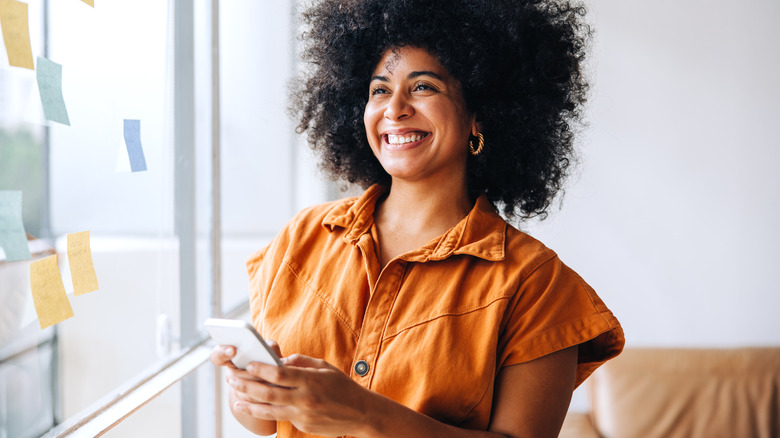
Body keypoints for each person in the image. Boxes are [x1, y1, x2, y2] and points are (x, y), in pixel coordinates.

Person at [210, 0, 624, 436]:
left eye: (423, 87)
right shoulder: (304, 236)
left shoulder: (536, 285)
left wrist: (364, 414)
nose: (395, 108)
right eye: (379, 89)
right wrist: (251, 391)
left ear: (479, 114)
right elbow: (262, 423)